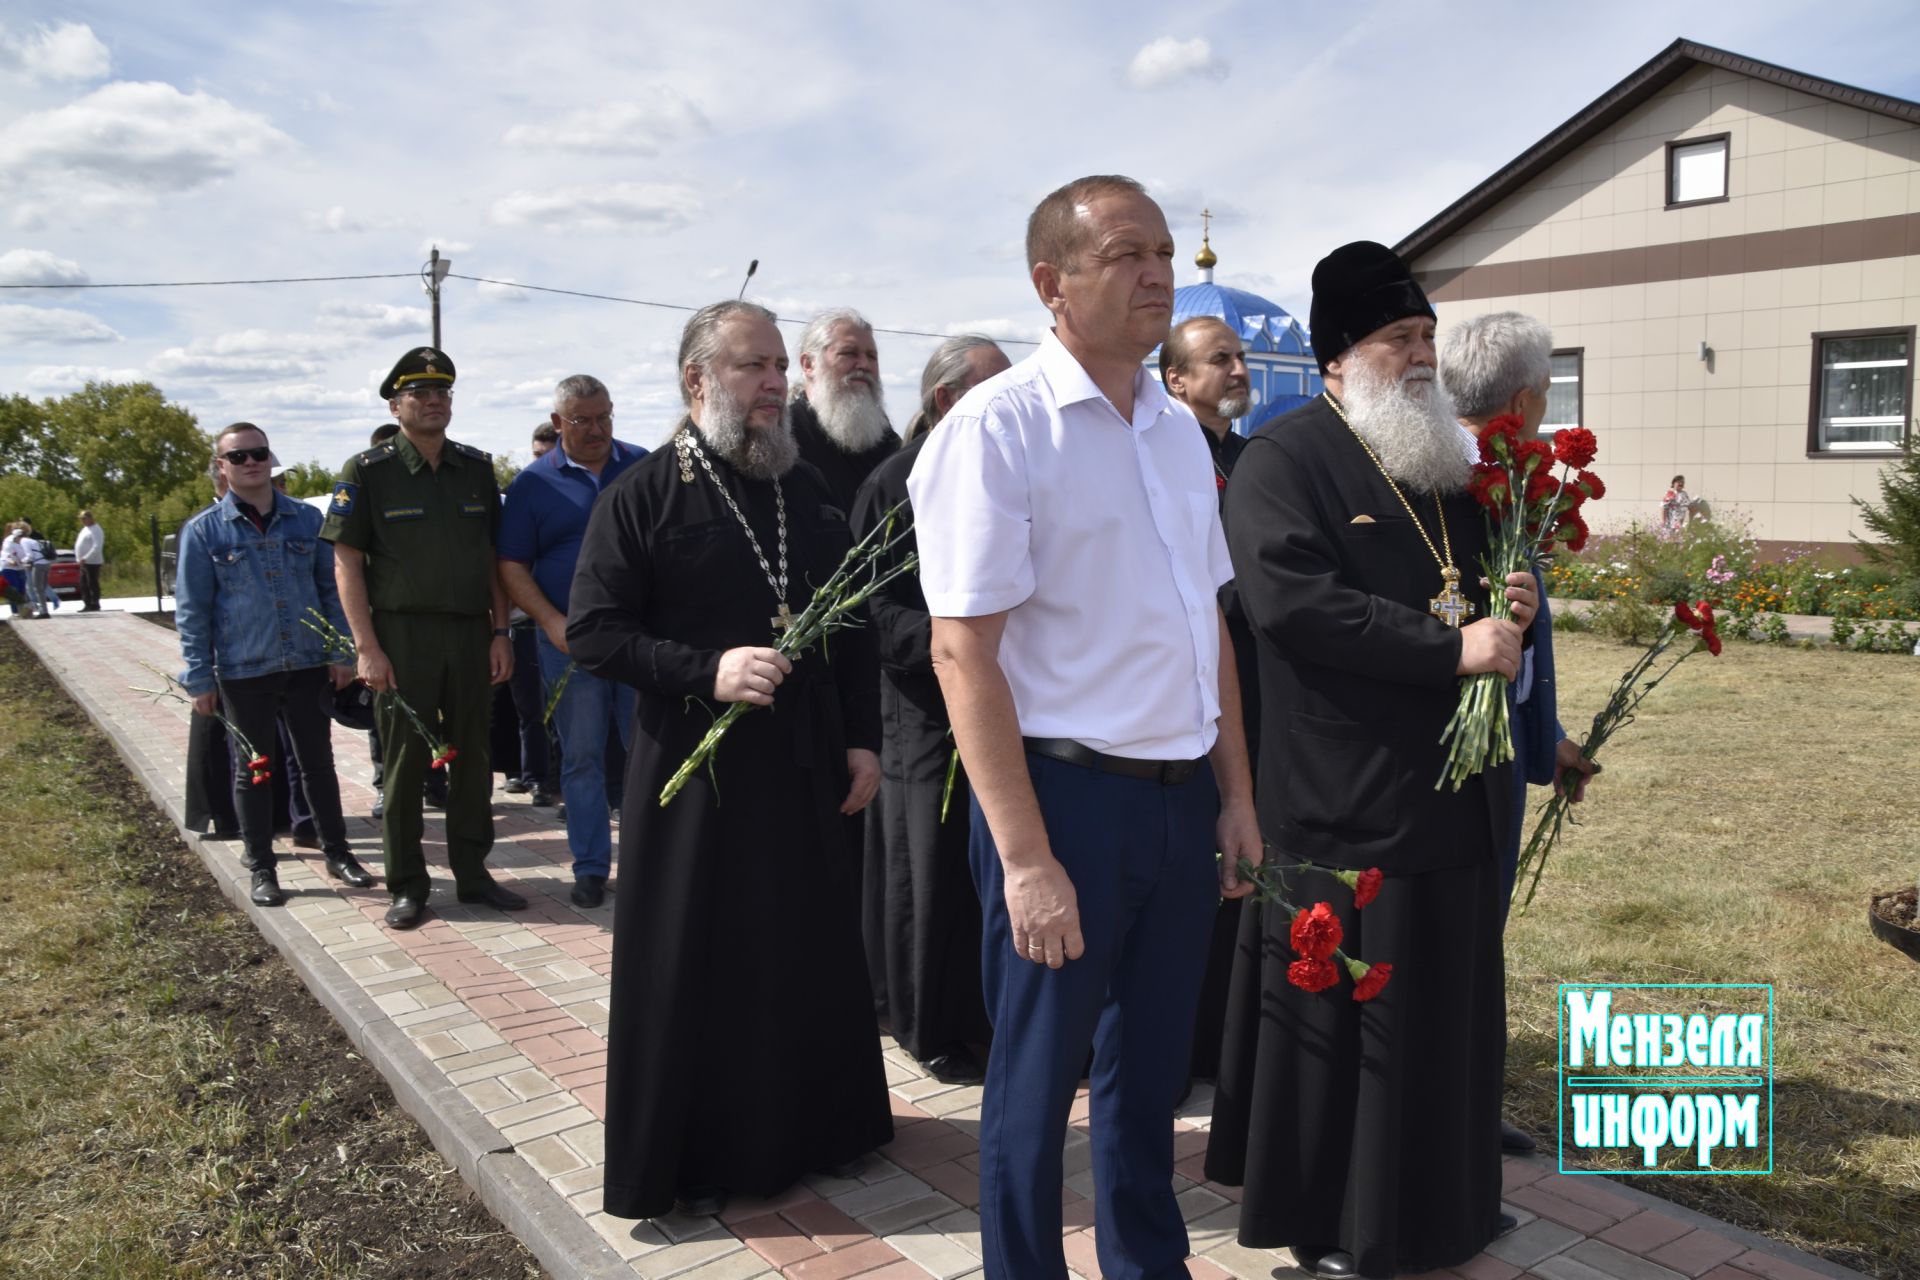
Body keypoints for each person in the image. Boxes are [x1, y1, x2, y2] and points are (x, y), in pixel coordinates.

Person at [908, 174, 1263, 1279]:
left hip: (1176, 795)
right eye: (1125, 253)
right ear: (1051, 284)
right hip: (1060, 803)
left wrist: (1239, 794)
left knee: (1148, 1074)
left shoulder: (1174, 432)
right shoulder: (999, 431)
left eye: (1162, 249)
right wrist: (1024, 858)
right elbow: (961, 650)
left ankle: (1147, 1265)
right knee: (1033, 1080)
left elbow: (1208, 625)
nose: (1157, 270)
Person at [1204, 241, 1539, 1279]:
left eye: (1428, 336)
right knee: (1362, 1027)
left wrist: (1513, 602)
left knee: (1450, 1020)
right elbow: (1292, 603)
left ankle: (1452, 1208)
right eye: (1400, 339)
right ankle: (1344, 1222)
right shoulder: (1282, 460)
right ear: (1339, 356)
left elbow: (1479, 583)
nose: (1423, 357)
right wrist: (1452, 648)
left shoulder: (1452, 466)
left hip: (1456, 803)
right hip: (1348, 800)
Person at [569, 300, 890, 1220]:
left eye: (781, 369)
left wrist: (862, 738)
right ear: (696, 381)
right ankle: (705, 1152)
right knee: (704, 960)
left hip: (804, 766)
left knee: (804, 950)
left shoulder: (805, 494)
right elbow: (594, 632)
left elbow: (853, 627)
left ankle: (821, 1132)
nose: (774, 387)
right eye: (753, 368)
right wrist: (703, 670)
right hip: (696, 778)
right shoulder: (640, 497)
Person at [1442, 311, 1601, 1156]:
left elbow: (1522, 638)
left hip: (1503, 746)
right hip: (1460, 764)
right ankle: (1451, 1108)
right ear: (1530, 396)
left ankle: (1469, 1097)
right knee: (1457, 945)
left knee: (1480, 944)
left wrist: (1552, 740)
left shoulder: (1515, 480)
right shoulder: (1453, 487)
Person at [850, 334, 1009, 1085]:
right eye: (992, 387)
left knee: (984, 868)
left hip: (998, 698)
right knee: (925, 870)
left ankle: (983, 1015)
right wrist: (958, 642)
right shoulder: (893, 484)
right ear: (948, 399)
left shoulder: (1008, 472)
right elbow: (868, 612)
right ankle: (925, 1026)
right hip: (920, 710)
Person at [321, 348, 523, 931]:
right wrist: (366, 646)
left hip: (468, 633)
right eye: (420, 394)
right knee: (407, 764)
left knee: (473, 757)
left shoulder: (476, 468)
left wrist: (501, 630)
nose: (434, 403)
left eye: (442, 394)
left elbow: (492, 559)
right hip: (400, 635)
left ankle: (474, 875)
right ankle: (408, 884)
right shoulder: (368, 470)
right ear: (395, 404)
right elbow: (347, 563)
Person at [174, 423, 377, 905]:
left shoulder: (306, 520)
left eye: (259, 453)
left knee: (317, 764)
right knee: (255, 770)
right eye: (238, 457)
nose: (251, 463)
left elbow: (332, 589)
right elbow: (192, 610)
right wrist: (199, 677)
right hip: (245, 670)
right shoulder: (204, 531)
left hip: (307, 663)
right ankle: (262, 865)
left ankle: (338, 852)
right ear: (221, 468)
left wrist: (341, 651)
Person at [1159, 314, 1264, 1082]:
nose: (1236, 369)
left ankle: (1226, 1034)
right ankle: (1187, 1043)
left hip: (1254, 688)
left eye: (1240, 357)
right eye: (1217, 359)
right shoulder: (1167, 455)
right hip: (1190, 698)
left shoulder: (1251, 459)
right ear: (1176, 380)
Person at [498, 376, 647, 908]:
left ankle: (649, 861)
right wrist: (549, 621)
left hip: (640, 642)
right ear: (558, 422)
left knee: (646, 751)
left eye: (604, 416)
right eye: (582, 420)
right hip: (568, 643)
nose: (597, 429)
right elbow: (511, 564)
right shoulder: (532, 484)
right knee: (581, 758)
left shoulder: (642, 466)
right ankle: (589, 868)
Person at [502, 420, 564, 808]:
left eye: (546, 455)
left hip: (563, 622)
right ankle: (533, 776)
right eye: (535, 455)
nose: (537, 462)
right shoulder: (524, 495)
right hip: (526, 623)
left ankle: (555, 780)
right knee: (529, 709)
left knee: (559, 710)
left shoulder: (566, 497)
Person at [788, 308, 900, 510]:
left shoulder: (884, 437)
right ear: (809, 364)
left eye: (872, 356)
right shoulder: (786, 433)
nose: (864, 365)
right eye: (849, 353)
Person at [74, 510, 104, 611]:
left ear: (90, 518)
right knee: (83, 584)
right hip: (84, 562)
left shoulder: (96, 530)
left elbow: (97, 546)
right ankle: (87, 603)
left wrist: (86, 557)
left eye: (84, 518)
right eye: (81, 519)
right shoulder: (85, 529)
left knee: (92, 583)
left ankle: (94, 603)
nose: (82, 521)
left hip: (92, 562)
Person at [1662, 474, 1693, 538]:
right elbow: (1664, 508)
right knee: (1670, 539)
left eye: (1682, 482)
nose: (1681, 484)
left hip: (1681, 521)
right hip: (1671, 522)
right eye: (1679, 482)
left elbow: (1689, 506)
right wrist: (1663, 521)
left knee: (1679, 540)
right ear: (1674, 483)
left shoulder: (1684, 494)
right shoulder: (1670, 493)